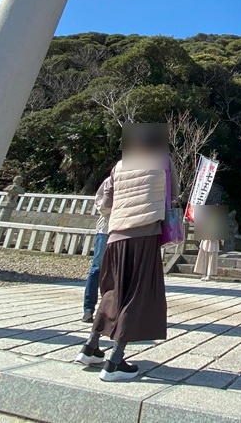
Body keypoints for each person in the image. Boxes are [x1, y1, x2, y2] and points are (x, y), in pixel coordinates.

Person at [75, 124, 176, 382]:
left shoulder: (120, 165)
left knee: (113, 291)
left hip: (115, 235)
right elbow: (173, 194)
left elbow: (105, 201)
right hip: (144, 234)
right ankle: (115, 361)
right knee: (137, 294)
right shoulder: (163, 161)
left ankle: (91, 347)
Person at [81, 166, 115, 322]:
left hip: (123, 230)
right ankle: (88, 308)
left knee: (118, 272)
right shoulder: (108, 182)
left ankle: (111, 308)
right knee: (97, 269)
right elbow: (101, 205)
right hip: (105, 229)